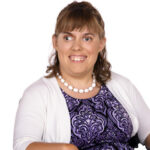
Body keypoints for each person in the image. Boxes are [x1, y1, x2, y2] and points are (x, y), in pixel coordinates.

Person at [13, 1, 150, 150]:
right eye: (68, 38)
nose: (77, 47)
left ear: (101, 44)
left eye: (87, 38)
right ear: (55, 42)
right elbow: (22, 145)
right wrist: (65, 149)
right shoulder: (37, 94)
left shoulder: (121, 84)